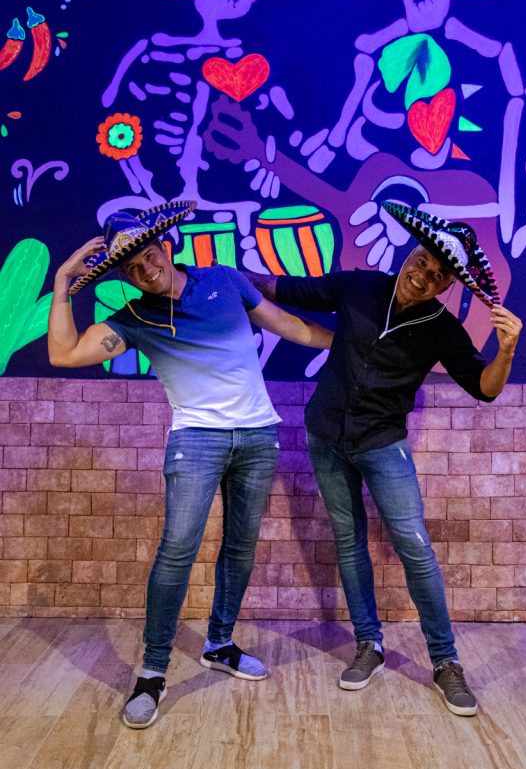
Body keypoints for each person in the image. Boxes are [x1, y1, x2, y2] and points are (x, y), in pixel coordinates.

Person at [47, 200, 333, 729]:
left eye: (148, 255)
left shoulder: (224, 281)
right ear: (124, 277)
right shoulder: (134, 319)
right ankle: (153, 672)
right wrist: (64, 282)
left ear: (166, 246)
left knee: (240, 546)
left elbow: (289, 326)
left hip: (257, 436)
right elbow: (63, 354)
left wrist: (351, 349)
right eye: (132, 267)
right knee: (177, 551)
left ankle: (219, 644)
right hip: (196, 441)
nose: (145, 269)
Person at [246, 201, 522, 716]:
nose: (423, 275)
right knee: (349, 543)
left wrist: (505, 351)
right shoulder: (360, 287)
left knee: (416, 549)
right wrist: (219, 277)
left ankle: (445, 662)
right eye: (422, 261)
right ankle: (368, 644)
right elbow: (284, 288)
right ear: (411, 253)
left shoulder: (442, 328)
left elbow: (484, 388)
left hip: (383, 444)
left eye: (437, 275)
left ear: (447, 285)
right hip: (325, 436)